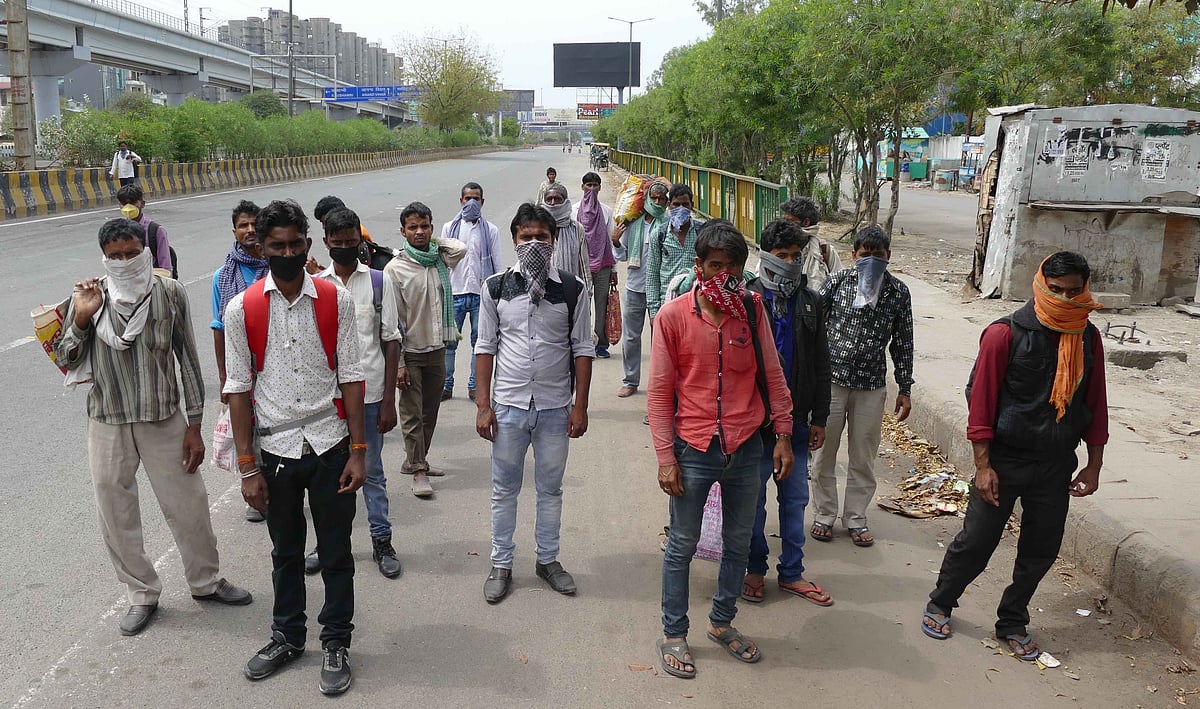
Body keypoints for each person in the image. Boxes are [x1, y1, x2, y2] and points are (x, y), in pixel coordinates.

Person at [55, 218, 252, 637]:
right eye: (115, 256)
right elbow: (68, 358)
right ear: (104, 258)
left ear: (145, 251)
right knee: (116, 513)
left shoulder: (169, 293)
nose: (125, 262)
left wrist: (194, 424)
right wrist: (83, 319)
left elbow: (189, 362)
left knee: (190, 505)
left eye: (131, 253)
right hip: (108, 420)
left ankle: (206, 581)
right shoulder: (89, 298)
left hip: (164, 419)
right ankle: (141, 594)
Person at [922, 251, 1107, 661]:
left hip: (1056, 463)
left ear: (1085, 290)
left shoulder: (1087, 338)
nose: (1065, 299)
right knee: (976, 542)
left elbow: (1095, 404)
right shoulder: (1003, 335)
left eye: (1074, 291)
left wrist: (1094, 464)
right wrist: (983, 466)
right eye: (1056, 290)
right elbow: (981, 403)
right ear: (1040, 286)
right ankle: (941, 602)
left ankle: (1012, 620)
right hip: (1004, 461)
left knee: (1041, 549)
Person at [223, 199, 366, 696]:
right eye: (276, 245)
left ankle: (336, 640)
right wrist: (247, 467)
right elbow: (238, 389)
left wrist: (359, 450)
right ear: (261, 248)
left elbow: (350, 377)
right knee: (285, 551)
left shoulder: (334, 299)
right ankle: (287, 636)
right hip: (277, 451)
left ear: (309, 243)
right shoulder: (243, 309)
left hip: (330, 445)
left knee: (336, 550)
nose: (286, 252)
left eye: (295, 244)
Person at [648, 221, 795, 679]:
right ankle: (674, 633)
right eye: (715, 266)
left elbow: (772, 374)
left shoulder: (751, 310)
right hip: (692, 448)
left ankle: (722, 623)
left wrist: (784, 434)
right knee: (682, 545)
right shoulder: (672, 317)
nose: (724, 275)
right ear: (698, 266)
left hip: (746, 447)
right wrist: (665, 459)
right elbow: (658, 393)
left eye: (733, 266)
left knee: (737, 543)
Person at [474, 203, 595, 604]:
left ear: (554, 239)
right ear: (514, 240)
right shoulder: (495, 287)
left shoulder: (573, 288)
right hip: (507, 406)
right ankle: (501, 564)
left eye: (542, 237)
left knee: (551, 489)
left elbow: (582, 349)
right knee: (503, 490)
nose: (534, 244)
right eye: (526, 237)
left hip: (554, 406)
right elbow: (485, 347)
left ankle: (548, 561)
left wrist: (580, 406)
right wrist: (482, 405)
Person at [741, 219, 833, 606]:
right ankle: (755, 569)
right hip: (754, 427)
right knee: (753, 504)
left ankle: (792, 572)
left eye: (797, 257)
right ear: (764, 257)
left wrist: (820, 418)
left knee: (794, 502)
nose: (791, 264)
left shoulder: (810, 301)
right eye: (782, 257)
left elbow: (821, 362)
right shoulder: (747, 299)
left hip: (795, 424)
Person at [308, 207, 403, 579]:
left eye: (351, 241)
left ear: (360, 241)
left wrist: (389, 402)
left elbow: (391, 340)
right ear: (327, 242)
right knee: (329, 474)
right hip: (329, 401)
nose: (345, 247)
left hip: (370, 395)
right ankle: (328, 545)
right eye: (338, 242)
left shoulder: (380, 282)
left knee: (373, 472)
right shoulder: (317, 286)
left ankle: (382, 540)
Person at [810, 226, 914, 547]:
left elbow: (903, 342)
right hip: (832, 382)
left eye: (877, 255)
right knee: (824, 452)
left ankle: (856, 518)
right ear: (854, 255)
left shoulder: (898, 293)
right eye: (864, 254)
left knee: (863, 455)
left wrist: (905, 387)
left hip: (871, 386)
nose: (870, 260)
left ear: (888, 257)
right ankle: (824, 515)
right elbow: (813, 323)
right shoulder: (837, 283)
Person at [383, 202, 466, 497]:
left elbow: (460, 249)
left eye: (425, 226)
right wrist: (400, 363)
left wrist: (434, 242)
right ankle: (418, 469)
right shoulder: (395, 268)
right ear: (402, 231)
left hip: (437, 348)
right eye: (413, 227)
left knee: (430, 411)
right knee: (410, 414)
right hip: (410, 352)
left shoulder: (438, 260)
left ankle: (416, 459)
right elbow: (391, 321)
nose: (419, 232)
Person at [210, 200, 270, 523]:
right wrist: (224, 378)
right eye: (242, 225)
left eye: (253, 224)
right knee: (246, 428)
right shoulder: (223, 276)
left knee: (274, 427)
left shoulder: (277, 265)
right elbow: (218, 328)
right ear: (234, 230)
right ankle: (255, 490)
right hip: (240, 367)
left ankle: (280, 484)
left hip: (273, 362)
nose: (249, 230)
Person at [441, 182, 503, 402]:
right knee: (449, 343)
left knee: (480, 344)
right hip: (454, 294)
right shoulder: (449, 228)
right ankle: (446, 386)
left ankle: (474, 386)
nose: (472, 202)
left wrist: (496, 297)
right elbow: (443, 263)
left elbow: (496, 264)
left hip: (480, 295)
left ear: (482, 202)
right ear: (461, 201)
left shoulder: (491, 231)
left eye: (476, 198)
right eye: (468, 198)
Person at [613, 179, 668, 397]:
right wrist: (616, 242)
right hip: (635, 288)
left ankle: (659, 384)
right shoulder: (633, 224)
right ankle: (630, 380)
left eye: (661, 199)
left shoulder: (668, 224)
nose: (657, 201)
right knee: (631, 337)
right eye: (653, 197)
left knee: (661, 340)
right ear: (645, 198)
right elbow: (623, 254)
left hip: (661, 290)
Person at [573, 171, 617, 358]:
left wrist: (613, 269)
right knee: (581, 306)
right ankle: (582, 343)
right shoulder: (573, 211)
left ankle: (600, 343)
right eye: (588, 185)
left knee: (601, 304)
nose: (591, 189)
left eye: (595, 185)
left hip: (602, 266)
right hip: (580, 266)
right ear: (582, 187)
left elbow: (609, 239)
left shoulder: (606, 211)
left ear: (600, 188)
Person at [646, 184, 702, 321]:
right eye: (676, 205)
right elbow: (652, 273)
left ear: (692, 206)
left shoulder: (702, 234)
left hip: (696, 303)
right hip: (667, 304)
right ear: (669, 206)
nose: (681, 209)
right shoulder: (659, 234)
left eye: (685, 204)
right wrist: (654, 312)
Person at [779, 196, 842, 287]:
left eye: (789, 221)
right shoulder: (776, 248)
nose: (784, 225)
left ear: (806, 223)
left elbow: (839, 284)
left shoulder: (825, 251)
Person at [542, 184, 591, 296]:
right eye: (549, 199)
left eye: (558, 199)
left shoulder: (576, 228)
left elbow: (584, 264)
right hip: (545, 294)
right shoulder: (539, 229)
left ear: (565, 202)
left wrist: (587, 293)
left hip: (571, 292)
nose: (553, 203)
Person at [117, 184, 174, 274]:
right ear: (119, 205)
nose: (128, 207)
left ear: (142, 203)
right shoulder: (117, 231)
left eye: (132, 203)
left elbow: (165, 267)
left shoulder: (156, 231)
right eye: (124, 204)